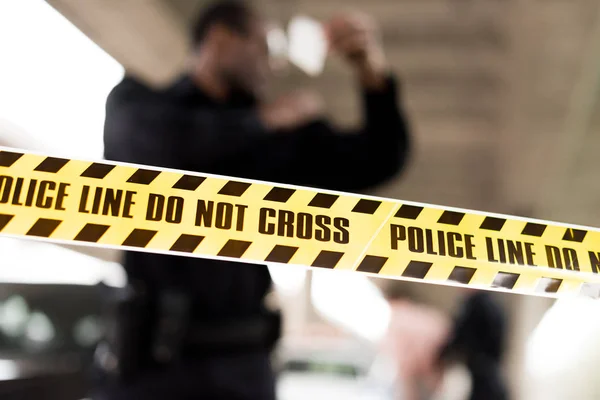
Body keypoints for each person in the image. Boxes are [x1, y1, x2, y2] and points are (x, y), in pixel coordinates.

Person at [92, 1, 411, 399]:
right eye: (264, 47)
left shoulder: (277, 142)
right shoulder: (141, 105)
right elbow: (153, 145)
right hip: (152, 366)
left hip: (241, 366)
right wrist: (264, 121)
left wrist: (370, 68)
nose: (273, 65)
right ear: (222, 38)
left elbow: (377, 158)